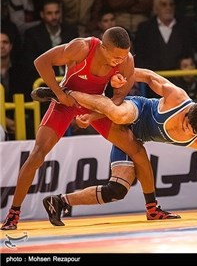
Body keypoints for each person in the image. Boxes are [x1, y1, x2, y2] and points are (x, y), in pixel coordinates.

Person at [32, 67, 197, 226]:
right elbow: (148, 76)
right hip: (136, 111)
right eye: (186, 123)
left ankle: (59, 201)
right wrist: (121, 77)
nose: (185, 131)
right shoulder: (177, 98)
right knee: (120, 115)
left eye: (191, 132)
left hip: (134, 140)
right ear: (189, 111)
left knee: (117, 190)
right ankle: (63, 93)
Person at [1, 26, 177, 230]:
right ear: (103, 47)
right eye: (116, 57)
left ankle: (152, 209)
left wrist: (94, 115)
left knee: (137, 149)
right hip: (66, 101)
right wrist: (59, 94)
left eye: (123, 57)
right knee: (37, 154)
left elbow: (117, 100)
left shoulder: (127, 60)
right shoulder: (82, 48)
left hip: (96, 103)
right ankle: (13, 213)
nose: (120, 61)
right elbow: (41, 62)